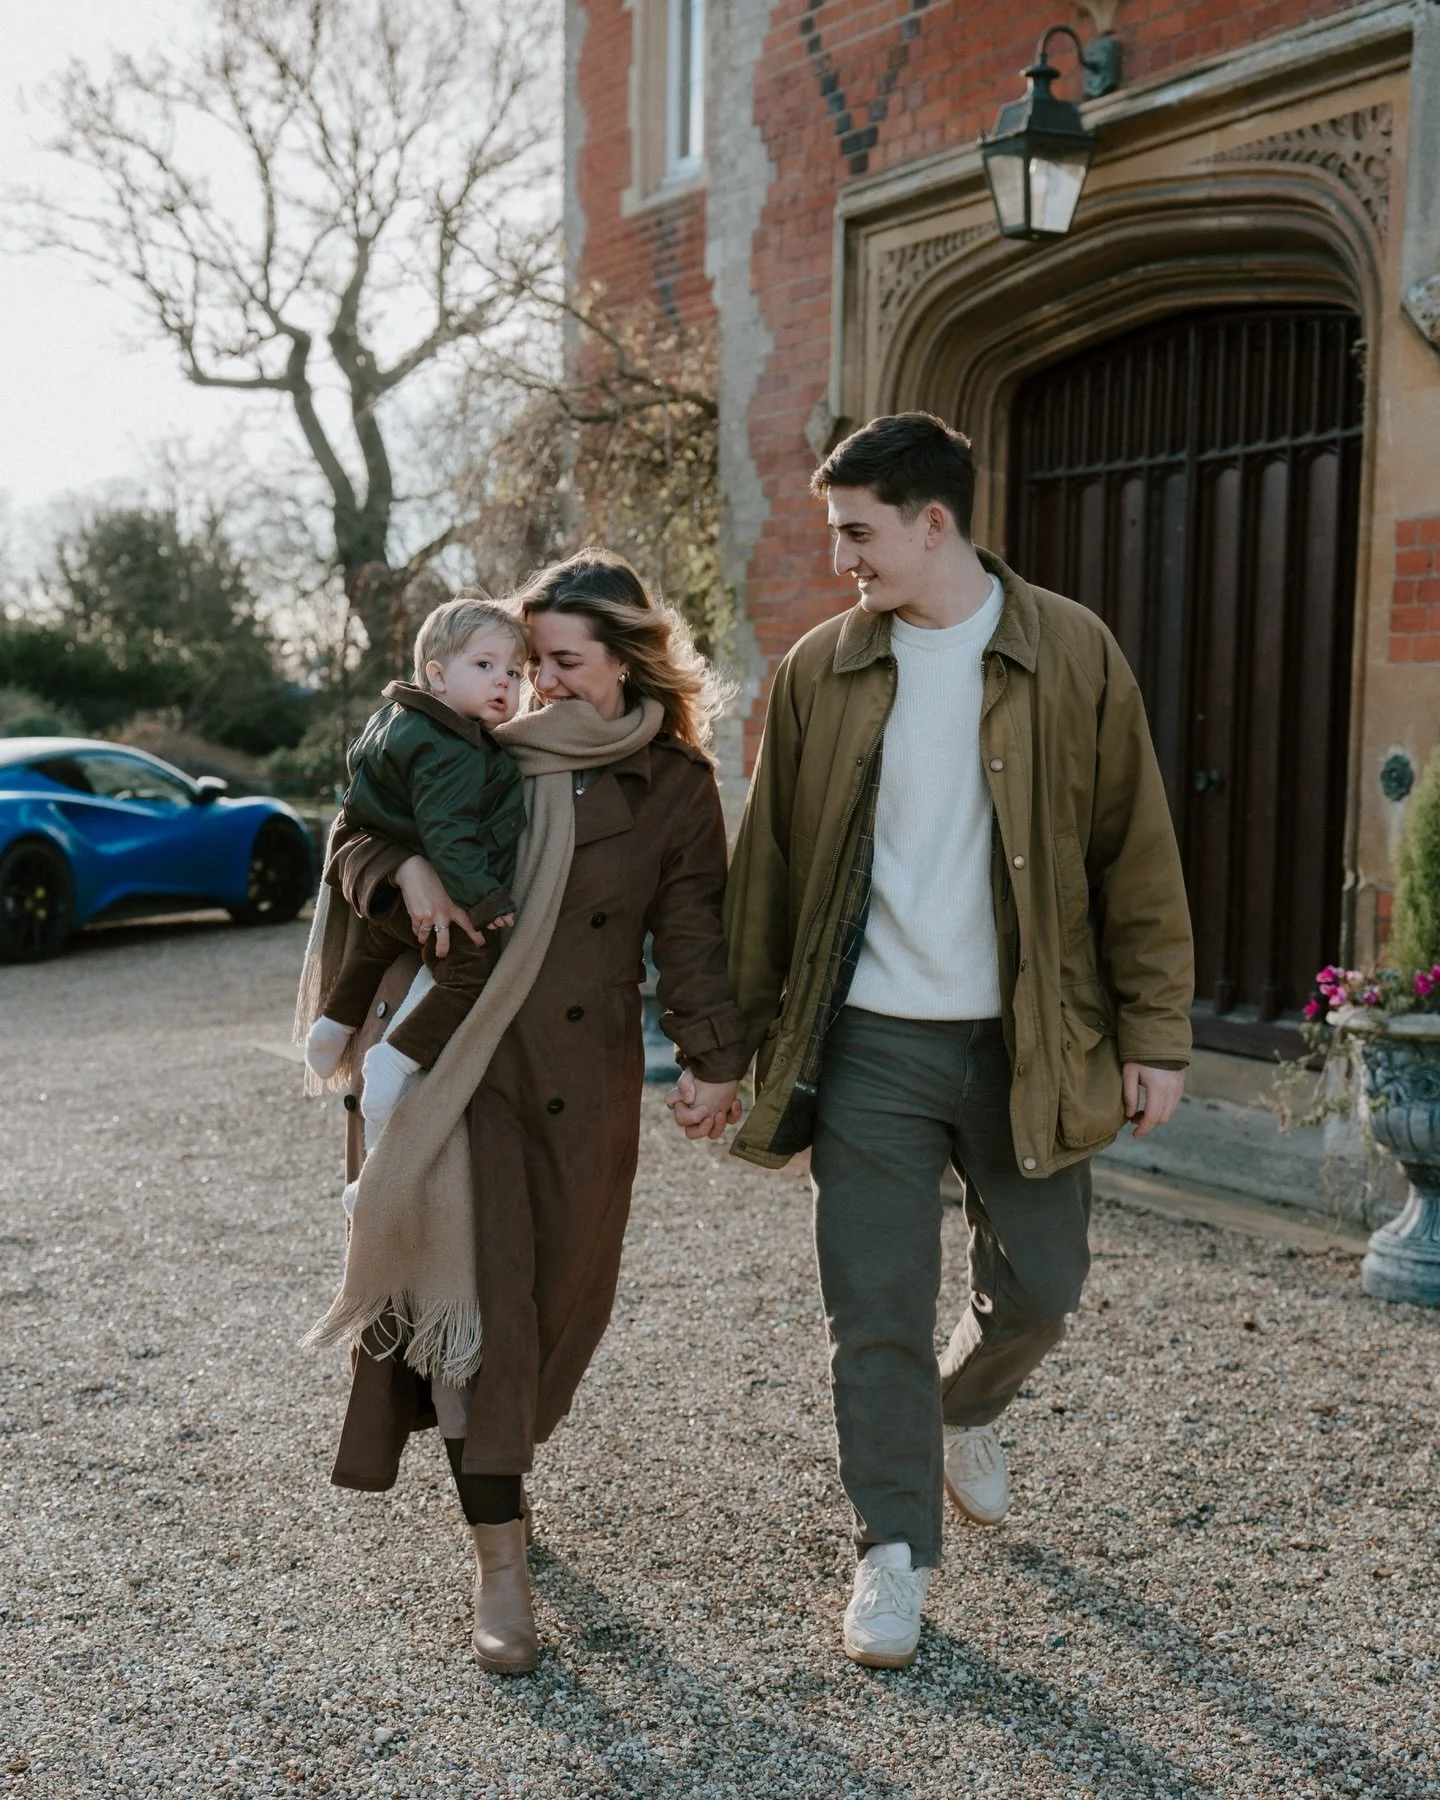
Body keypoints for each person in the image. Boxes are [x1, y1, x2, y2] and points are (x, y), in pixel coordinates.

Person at [710, 412, 1194, 1670]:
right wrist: (726, 1051)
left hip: (1028, 1039)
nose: (843, 561)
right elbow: (765, 873)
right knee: (873, 1307)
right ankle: (891, 1558)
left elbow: (1134, 855)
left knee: (1042, 1285)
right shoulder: (824, 668)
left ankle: (962, 1412)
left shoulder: (1072, 652)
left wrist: (1158, 1034)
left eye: (859, 534)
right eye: (835, 535)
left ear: (935, 523)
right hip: (869, 1042)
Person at [299, 550, 746, 1675]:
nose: (537, 685)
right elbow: (353, 830)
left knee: (552, 1315)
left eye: (563, 662)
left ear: (628, 659)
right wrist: (400, 872)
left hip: (577, 1080)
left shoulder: (676, 784)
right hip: (451, 1059)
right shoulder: (473, 734)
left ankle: (500, 1473)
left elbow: (690, 932)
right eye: (527, 660)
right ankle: (498, 1557)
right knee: (476, 1300)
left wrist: (712, 1060)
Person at [304, 596, 528, 1151]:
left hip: (388, 892)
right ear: (436, 674)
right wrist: (485, 901)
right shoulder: (454, 748)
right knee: (470, 969)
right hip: (435, 893)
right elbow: (449, 833)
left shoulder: (393, 721)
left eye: (515, 672)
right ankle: (395, 1059)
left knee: (378, 944)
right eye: (484, 666)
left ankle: (331, 1028)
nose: (504, 682)